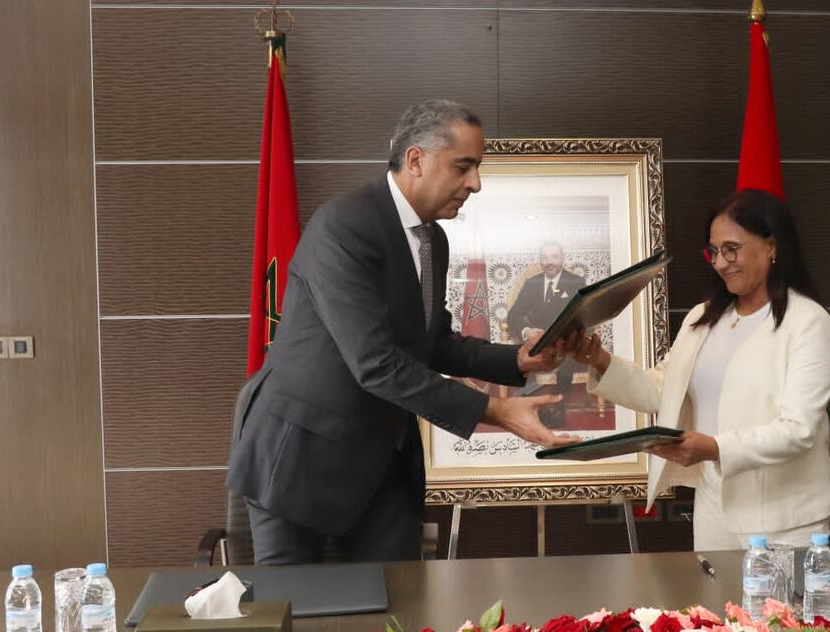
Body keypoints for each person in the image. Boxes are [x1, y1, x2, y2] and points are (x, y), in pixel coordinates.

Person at [226, 100, 576, 565]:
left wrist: (517, 360)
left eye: (477, 168)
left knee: (395, 619)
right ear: (416, 160)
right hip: (300, 463)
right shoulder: (345, 226)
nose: (475, 183)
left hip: (383, 466)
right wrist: (499, 412)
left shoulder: (433, 239)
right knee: (301, 620)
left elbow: (430, 342)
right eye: (463, 167)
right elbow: (376, 364)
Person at [565, 189, 830, 550]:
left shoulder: (809, 323)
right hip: (713, 504)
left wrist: (713, 447)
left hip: (784, 518)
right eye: (714, 252)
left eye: (732, 249)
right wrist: (600, 361)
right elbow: (664, 391)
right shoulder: (702, 317)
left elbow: (798, 430)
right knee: (708, 608)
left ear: (771, 246)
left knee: (778, 610)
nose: (721, 263)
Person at [506, 241, 588, 427]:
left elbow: (583, 317)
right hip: (537, 342)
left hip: (565, 342)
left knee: (567, 359)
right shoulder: (531, 283)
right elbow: (514, 315)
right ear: (540, 260)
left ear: (562, 259)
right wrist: (526, 332)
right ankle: (532, 408)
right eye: (545, 257)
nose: (549, 261)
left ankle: (557, 409)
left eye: (554, 257)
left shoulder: (575, 282)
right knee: (524, 357)